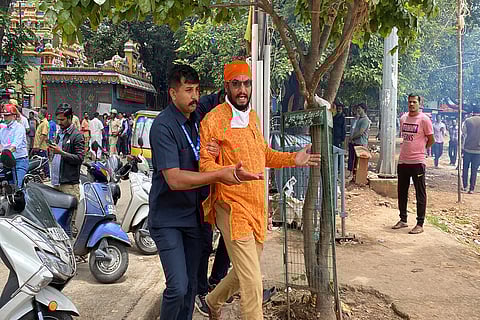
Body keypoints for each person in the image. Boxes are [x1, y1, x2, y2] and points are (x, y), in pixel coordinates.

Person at [199, 61, 321, 319]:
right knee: (253, 281)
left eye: (246, 83)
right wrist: (230, 173)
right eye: (236, 84)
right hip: (231, 207)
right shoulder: (213, 121)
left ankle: (213, 300)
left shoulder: (252, 117)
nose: (242, 89)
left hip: (257, 207)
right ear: (226, 86)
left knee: (244, 270)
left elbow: (263, 154)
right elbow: (205, 164)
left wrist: (292, 158)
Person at [148, 63, 263, 320]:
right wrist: (220, 174)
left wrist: (217, 155)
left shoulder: (199, 120)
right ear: (172, 93)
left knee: (191, 288)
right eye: (188, 90)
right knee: (177, 287)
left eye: (197, 90)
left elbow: (216, 145)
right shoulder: (163, 127)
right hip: (168, 219)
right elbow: (174, 179)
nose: (195, 97)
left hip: (196, 217)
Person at [392, 94, 434, 235]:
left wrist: (421, 150)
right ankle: (403, 219)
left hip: (418, 162)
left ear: (419, 104)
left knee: (420, 193)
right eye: (409, 102)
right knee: (402, 192)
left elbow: (431, 139)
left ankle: (420, 223)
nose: (411, 104)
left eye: (414, 102)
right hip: (403, 161)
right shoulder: (403, 118)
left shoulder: (424, 120)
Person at [49, 103, 85, 237]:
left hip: (69, 185)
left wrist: (61, 152)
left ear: (70, 118)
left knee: (68, 222)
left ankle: (72, 253)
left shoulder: (77, 136)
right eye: (58, 120)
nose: (59, 122)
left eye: (62, 120)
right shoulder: (60, 134)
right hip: (57, 183)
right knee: (57, 222)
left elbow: (80, 158)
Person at [0, 104, 29, 188]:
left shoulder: (19, 128)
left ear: (14, 116)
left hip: (19, 160)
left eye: (7, 115)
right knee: (9, 186)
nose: (5, 117)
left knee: (19, 188)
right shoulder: (3, 130)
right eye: (4, 115)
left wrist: (6, 152)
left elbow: (14, 145)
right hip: (7, 161)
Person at [347, 103, 370, 179]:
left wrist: (352, 137)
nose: (358, 110)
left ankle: (358, 176)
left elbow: (360, 132)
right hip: (354, 142)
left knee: (358, 161)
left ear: (364, 109)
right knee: (352, 159)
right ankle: (352, 175)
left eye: (359, 108)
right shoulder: (358, 119)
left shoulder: (365, 120)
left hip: (360, 143)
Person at [461, 111, 480, 194]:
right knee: (474, 170)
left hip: (467, 149)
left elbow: (464, 135)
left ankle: (465, 186)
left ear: (472, 112)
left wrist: (462, 148)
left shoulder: (468, 121)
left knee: (465, 168)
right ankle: (471, 189)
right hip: (478, 150)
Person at [32, 108, 50, 179]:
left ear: (42, 114)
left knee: (44, 160)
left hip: (41, 146)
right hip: (38, 146)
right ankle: (43, 175)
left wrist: (38, 145)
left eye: (39, 113)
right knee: (40, 161)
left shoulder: (45, 123)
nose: (38, 114)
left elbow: (43, 135)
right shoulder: (41, 123)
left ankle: (47, 175)